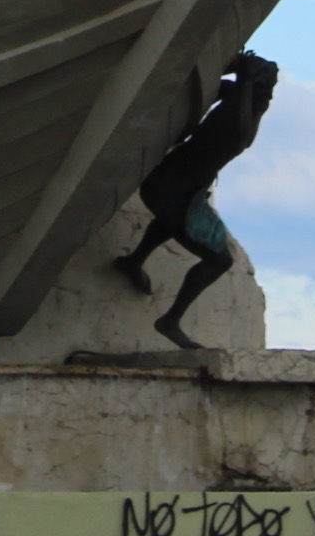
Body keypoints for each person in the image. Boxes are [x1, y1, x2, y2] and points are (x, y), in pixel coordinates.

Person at [114, 51, 279, 347]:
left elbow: (221, 88)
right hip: (167, 189)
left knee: (175, 221)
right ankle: (170, 320)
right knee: (219, 259)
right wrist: (242, 74)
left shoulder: (244, 106)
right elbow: (234, 110)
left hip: (179, 191)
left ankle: (133, 261)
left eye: (270, 90)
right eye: (264, 88)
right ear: (251, 86)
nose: (268, 96)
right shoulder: (238, 120)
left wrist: (242, 75)